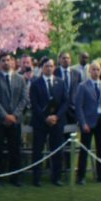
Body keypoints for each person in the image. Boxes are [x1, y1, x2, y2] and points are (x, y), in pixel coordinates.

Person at [0, 52, 28, 187]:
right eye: (3, 60)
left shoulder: (20, 79)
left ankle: (15, 178)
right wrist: (5, 116)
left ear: (13, 62)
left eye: (8, 60)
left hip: (15, 121)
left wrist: (14, 116)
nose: (6, 62)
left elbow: (24, 99)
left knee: (15, 150)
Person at [29, 58, 68, 187]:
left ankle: (56, 177)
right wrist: (45, 118)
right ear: (42, 68)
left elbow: (65, 102)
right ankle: (37, 178)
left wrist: (56, 117)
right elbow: (34, 104)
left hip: (57, 123)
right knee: (38, 151)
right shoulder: (35, 83)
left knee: (57, 150)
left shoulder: (61, 82)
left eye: (51, 66)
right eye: (46, 66)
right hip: (41, 123)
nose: (49, 68)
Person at [75, 62, 101, 185]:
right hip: (87, 123)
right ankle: (80, 177)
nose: (96, 72)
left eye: (98, 69)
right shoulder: (82, 86)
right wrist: (83, 123)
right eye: (93, 69)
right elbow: (79, 107)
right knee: (84, 151)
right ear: (89, 71)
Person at [56, 52, 83, 124]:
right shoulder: (54, 73)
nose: (66, 60)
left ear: (70, 60)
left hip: (72, 108)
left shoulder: (77, 73)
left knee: (72, 132)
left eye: (68, 58)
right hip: (58, 108)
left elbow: (80, 91)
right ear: (59, 60)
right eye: (63, 58)